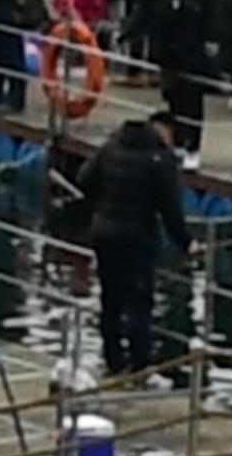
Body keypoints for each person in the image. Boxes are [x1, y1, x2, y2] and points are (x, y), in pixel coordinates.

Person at [81, 116, 189, 382]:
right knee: (139, 303)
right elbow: (170, 208)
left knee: (111, 299)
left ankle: (113, 360)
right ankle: (139, 366)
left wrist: (103, 205)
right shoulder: (159, 158)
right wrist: (186, 242)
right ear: (165, 132)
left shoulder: (110, 146)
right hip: (138, 238)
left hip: (104, 233)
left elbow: (84, 179)